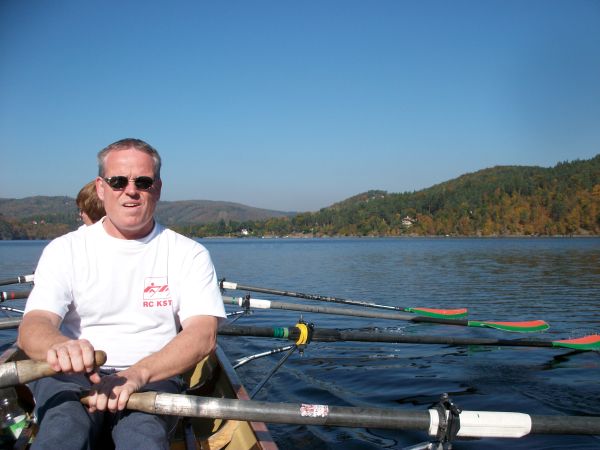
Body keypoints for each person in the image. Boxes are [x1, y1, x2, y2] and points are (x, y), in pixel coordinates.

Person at [17, 138, 226, 449]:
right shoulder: (65, 249)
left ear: (157, 188)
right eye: (118, 181)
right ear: (101, 188)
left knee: (142, 437)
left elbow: (202, 335)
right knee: (63, 431)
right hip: (73, 375)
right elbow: (32, 327)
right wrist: (61, 346)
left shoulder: (189, 254)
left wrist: (137, 375)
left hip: (153, 374)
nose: (131, 190)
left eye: (143, 181)